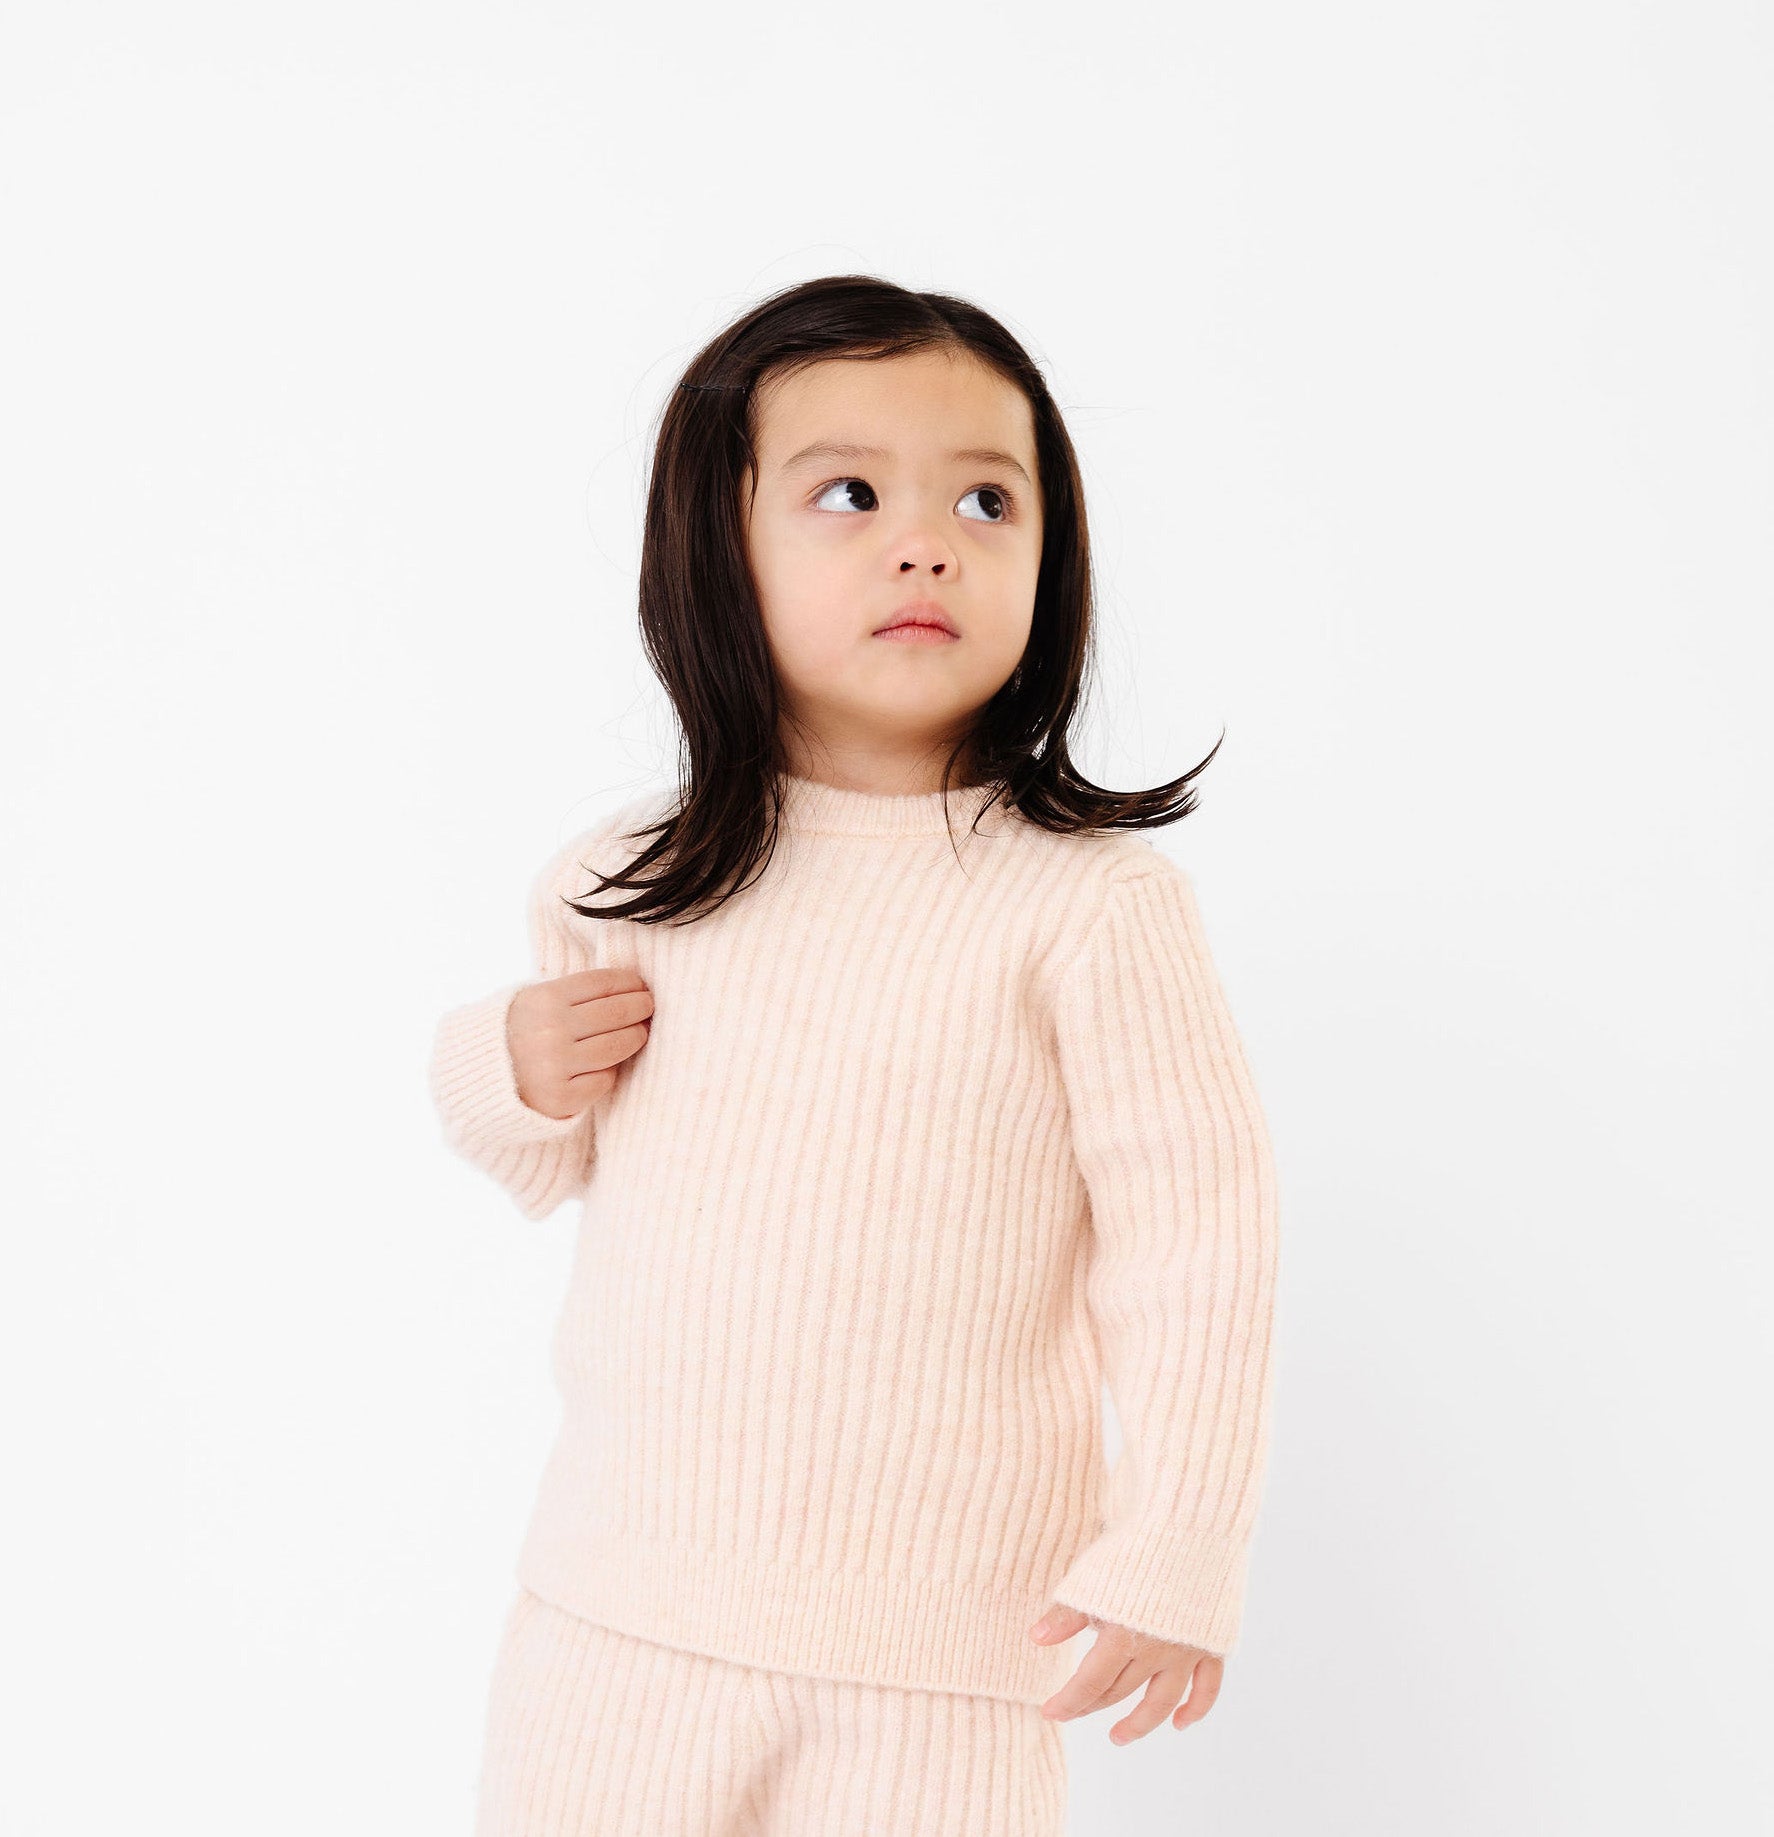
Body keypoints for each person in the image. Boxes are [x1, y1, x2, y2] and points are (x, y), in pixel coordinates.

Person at [427, 273, 1281, 1836]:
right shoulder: (630, 880)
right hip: (617, 1615)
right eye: (847, 493)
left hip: (938, 1662)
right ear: (716, 548)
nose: (926, 541)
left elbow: (1195, 1247)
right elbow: (546, 1158)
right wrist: (505, 1067)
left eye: (986, 499)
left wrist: (1177, 1539)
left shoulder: (1089, 909)